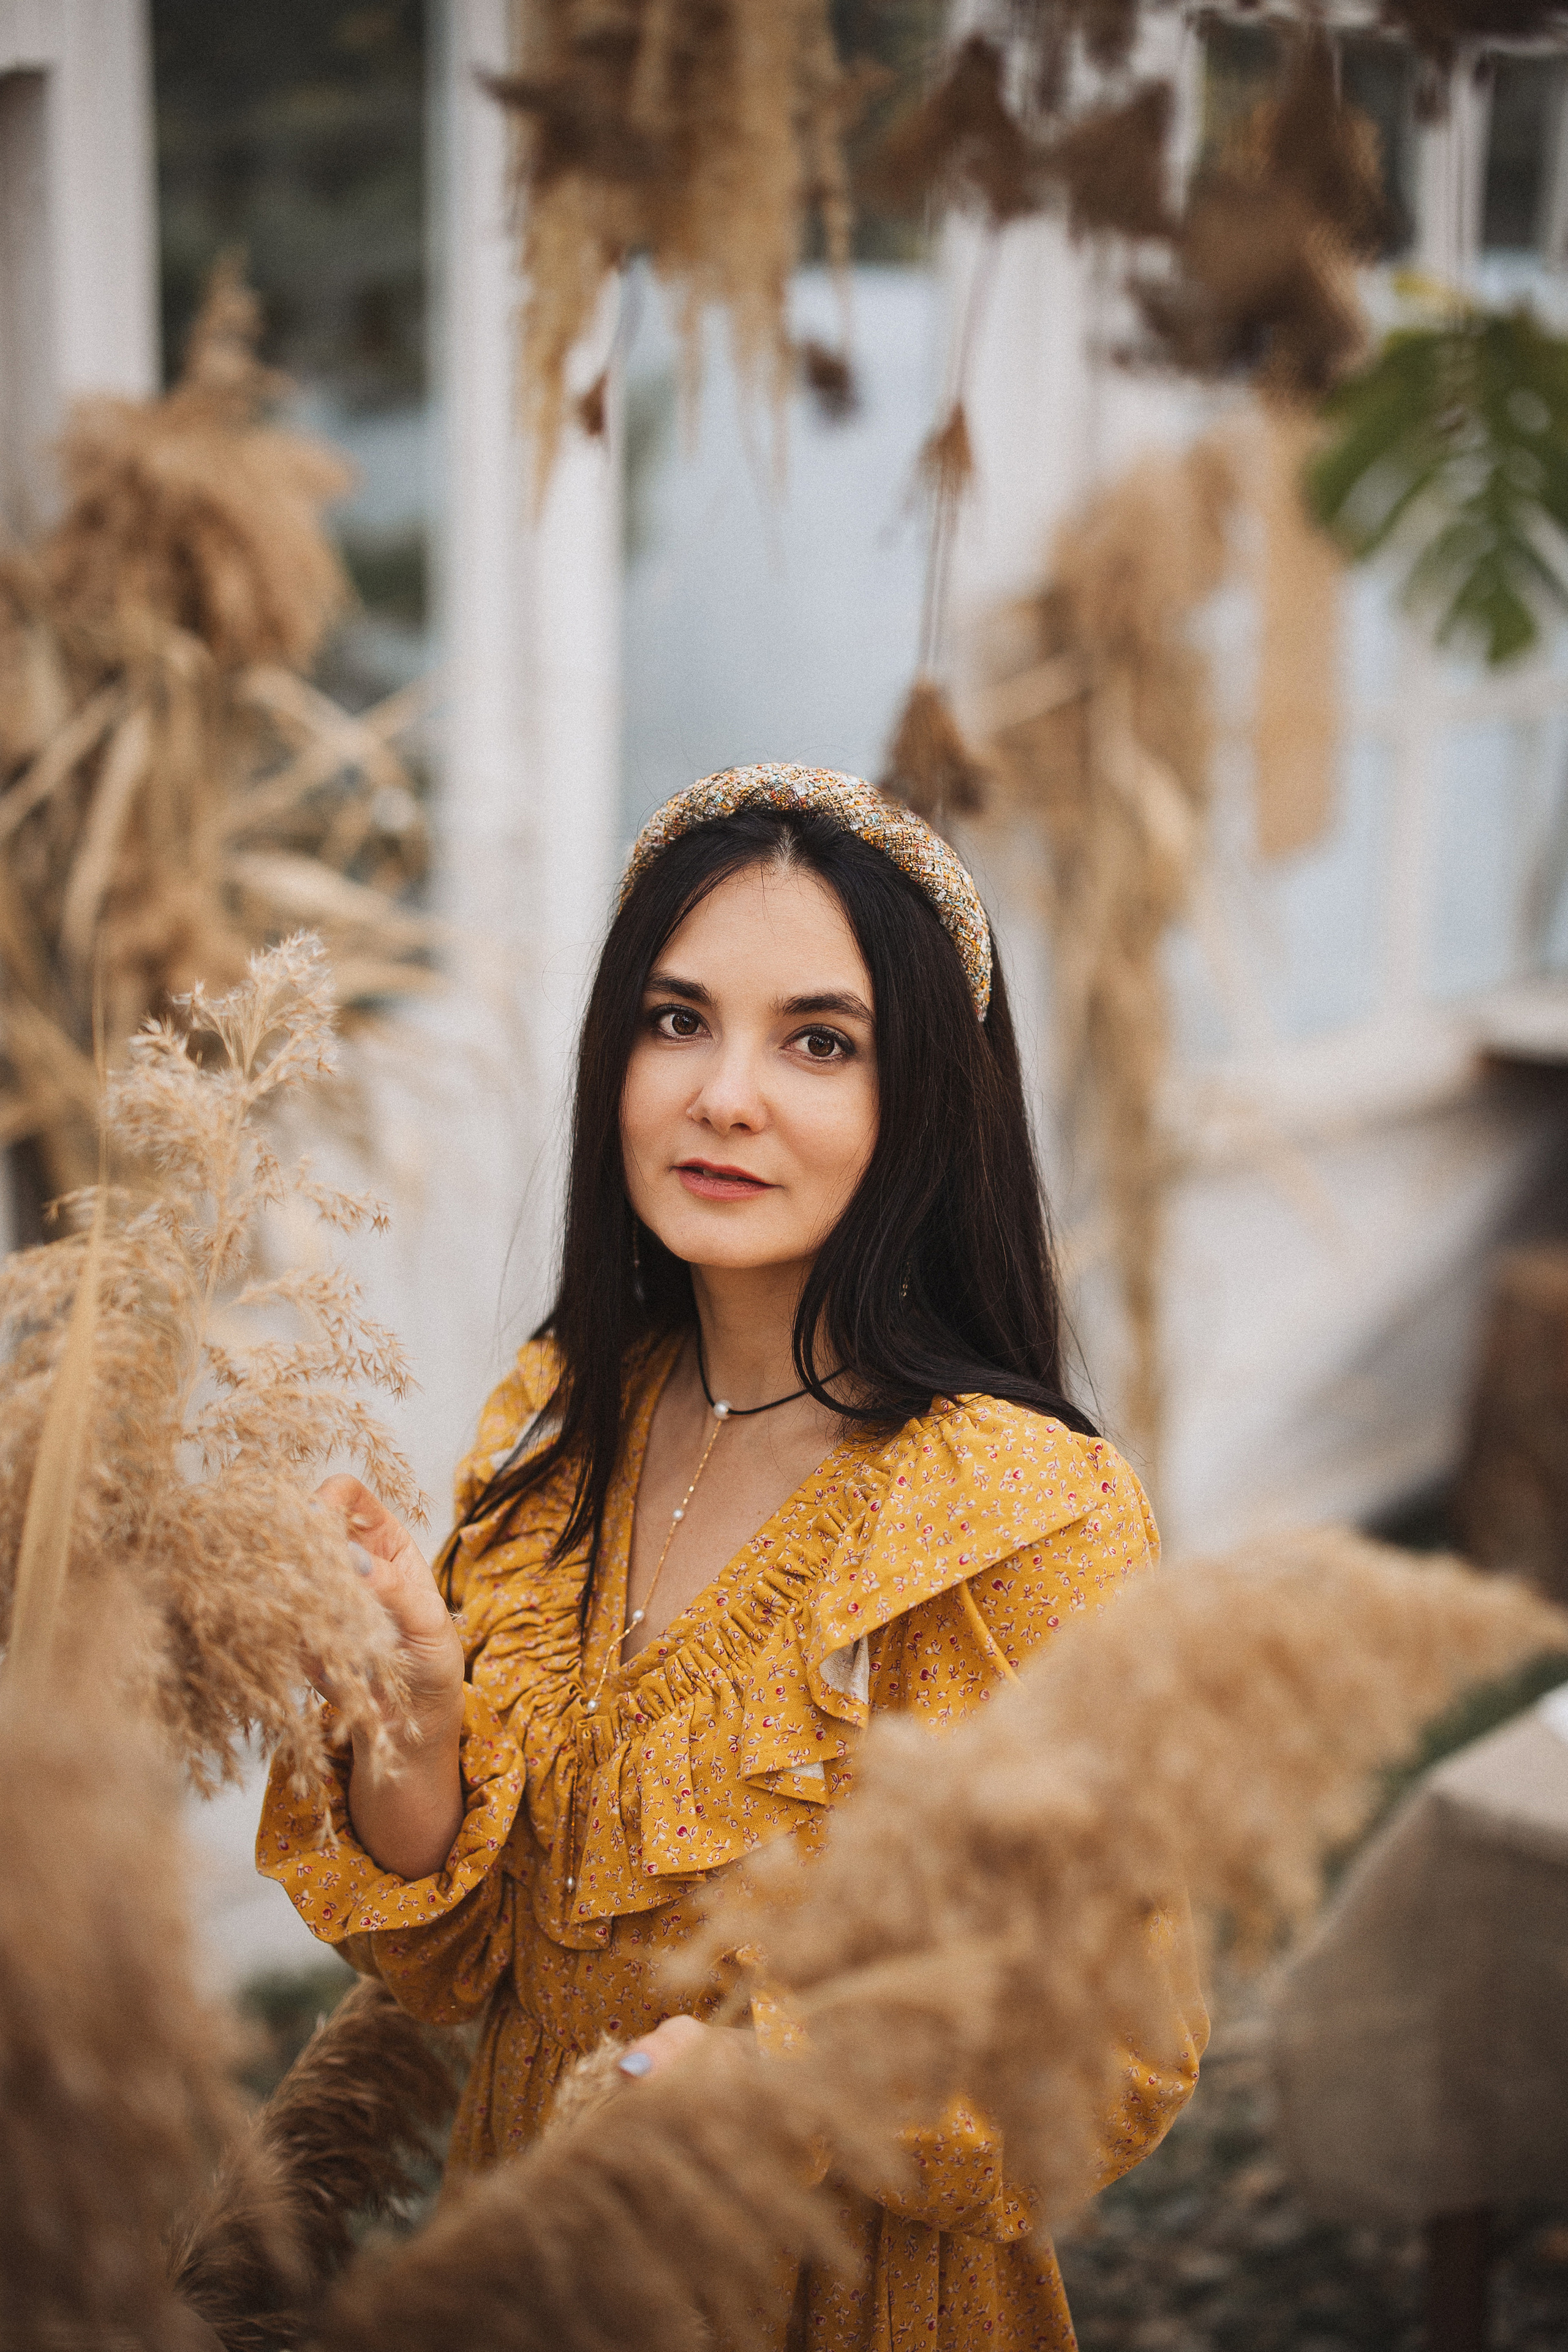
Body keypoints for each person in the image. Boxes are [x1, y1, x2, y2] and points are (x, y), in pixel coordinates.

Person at [259, 764, 1206, 2349]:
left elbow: (1116, 2050)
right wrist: (417, 1715)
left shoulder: (1019, 1513)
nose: (724, 1096)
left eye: (818, 1042)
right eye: (677, 1020)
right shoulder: (562, 1422)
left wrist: (782, 2082)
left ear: (925, 1103)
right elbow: (461, 1953)